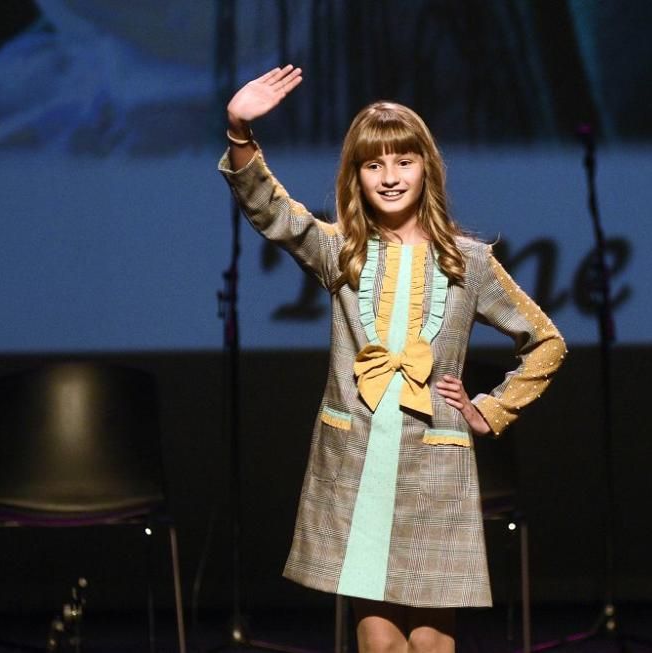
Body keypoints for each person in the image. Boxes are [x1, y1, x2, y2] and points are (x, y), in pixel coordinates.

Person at [219, 65, 566, 653]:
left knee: (432, 645)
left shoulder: (468, 262)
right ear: (355, 175)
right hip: (357, 463)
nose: (389, 176)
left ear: (426, 167)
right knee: (381, 645)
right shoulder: (342, 251)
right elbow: (273, 212)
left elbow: (546, 341)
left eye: (403, 161)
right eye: (373, 163)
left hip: (434, 465)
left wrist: (490, 409)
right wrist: (239, 133)